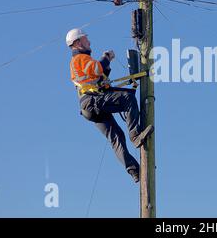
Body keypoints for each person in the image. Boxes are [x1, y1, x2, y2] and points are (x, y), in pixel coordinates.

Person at [66, 28, 154, 183]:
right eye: (86, 39)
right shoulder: (79, 58)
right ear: (78, 43)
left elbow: (99, 78)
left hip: (89, 106)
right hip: (92, 101)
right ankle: (135, 135)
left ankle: (134, 171)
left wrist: (106, 70)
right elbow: (97, 68)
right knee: (128, 99)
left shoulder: (81, 61)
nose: (89, 42)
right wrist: (107, 57)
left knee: (116, 137)